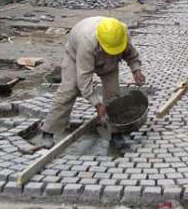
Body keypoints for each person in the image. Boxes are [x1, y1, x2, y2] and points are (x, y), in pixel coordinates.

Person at [41, 17, 145, 149]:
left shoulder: (122, 34)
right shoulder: (87, 42)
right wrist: (97, 104)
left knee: (113, 95)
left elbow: (131, 54)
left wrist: (136, 70)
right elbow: (83, 80)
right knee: (68, 90)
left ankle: (115, 133)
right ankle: (49, 130)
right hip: (75, 56)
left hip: (110, 61)